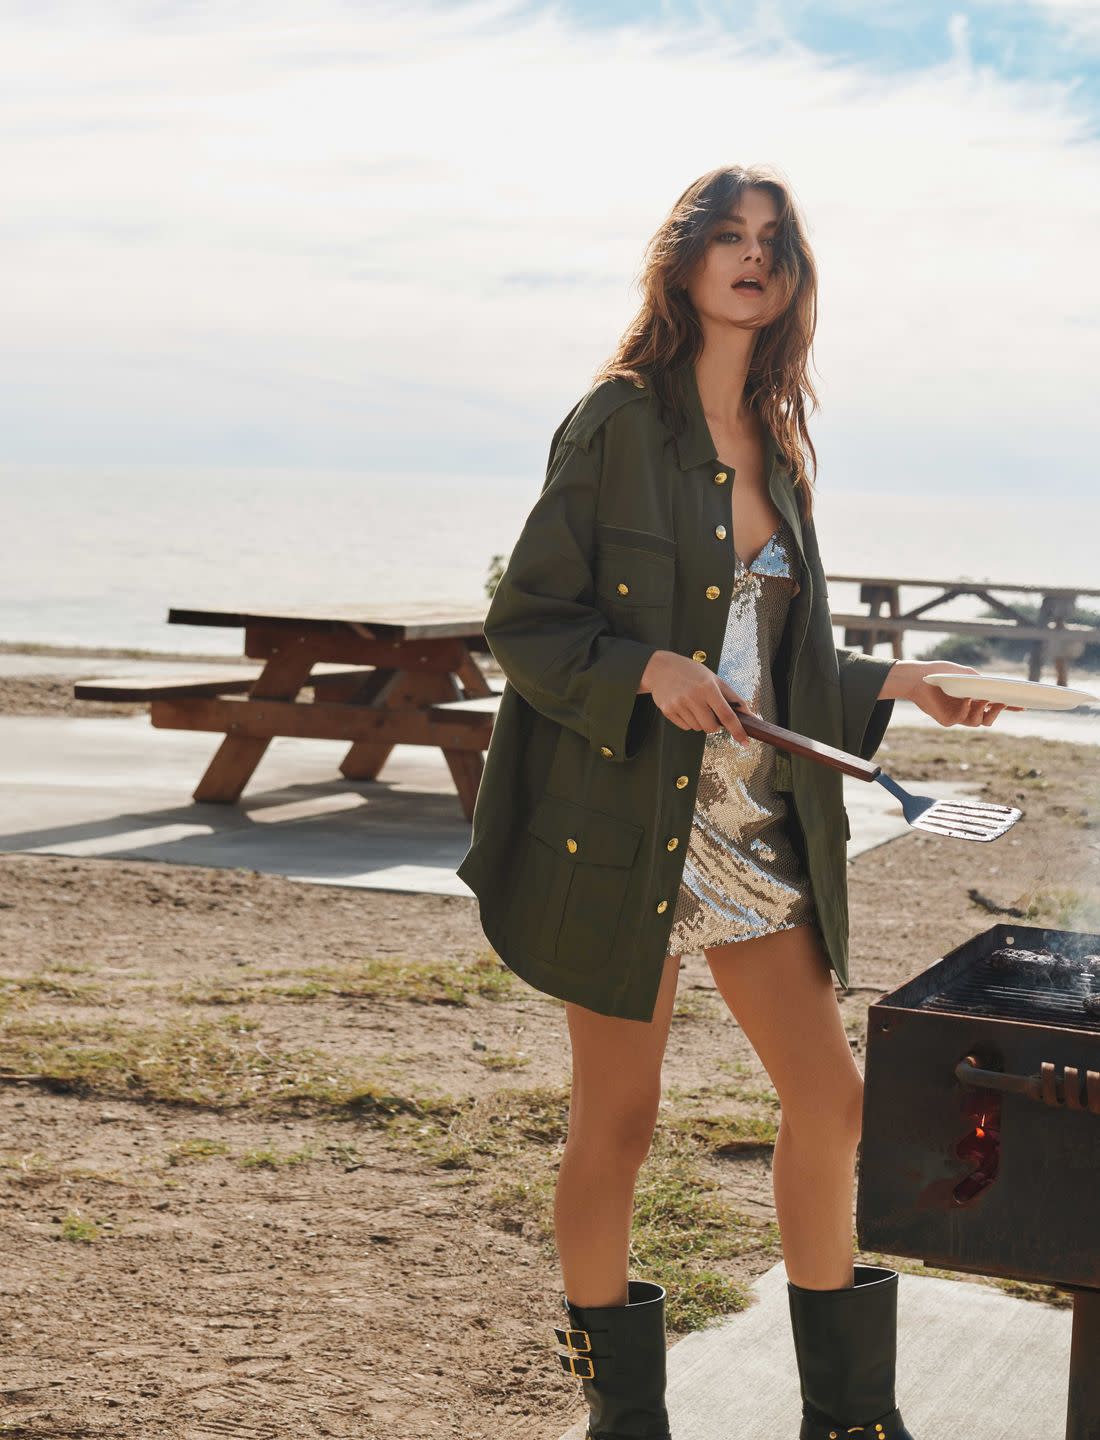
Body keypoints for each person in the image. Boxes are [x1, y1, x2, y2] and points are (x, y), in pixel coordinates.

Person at [458, 163, 1019, 1440]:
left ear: (791, 274)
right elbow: (526, 621)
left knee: (830, 1101)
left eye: (773, 241)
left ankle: (845, 1415)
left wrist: (906, 683)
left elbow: (790, 661)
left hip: (758, 829)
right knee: (620, 1118)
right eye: (728, 236)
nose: (752, 257)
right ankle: (624, 1416)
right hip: (623, 831)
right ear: (686, 261)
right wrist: (640, 668)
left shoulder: (780, 445)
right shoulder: (614, 421)